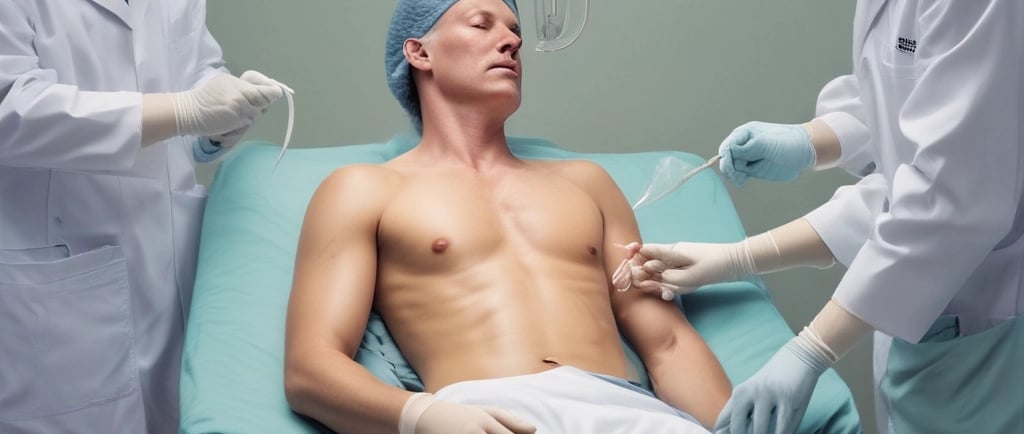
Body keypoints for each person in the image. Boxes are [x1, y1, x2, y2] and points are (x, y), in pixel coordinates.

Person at [282, 0, 732, 433]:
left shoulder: (586, 183)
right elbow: (311, 367)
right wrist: (419, 417)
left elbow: (668, 344)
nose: (510, 42)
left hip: (632, 412)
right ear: (419, 52)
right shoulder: (364, 189)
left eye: (515, 30)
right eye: (482, 24)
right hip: (485, 417)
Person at [624, 1, 1024, 433]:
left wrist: (811, 349)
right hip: (937, 323)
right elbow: (897, 110)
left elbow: (946, 204)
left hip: (991, 324)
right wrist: (810, 141)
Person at [0, 1, 285, 432]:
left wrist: (217, 111)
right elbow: (10, 106)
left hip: (167, 263)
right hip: (59, 281)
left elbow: (194, 69)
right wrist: (181, 110)